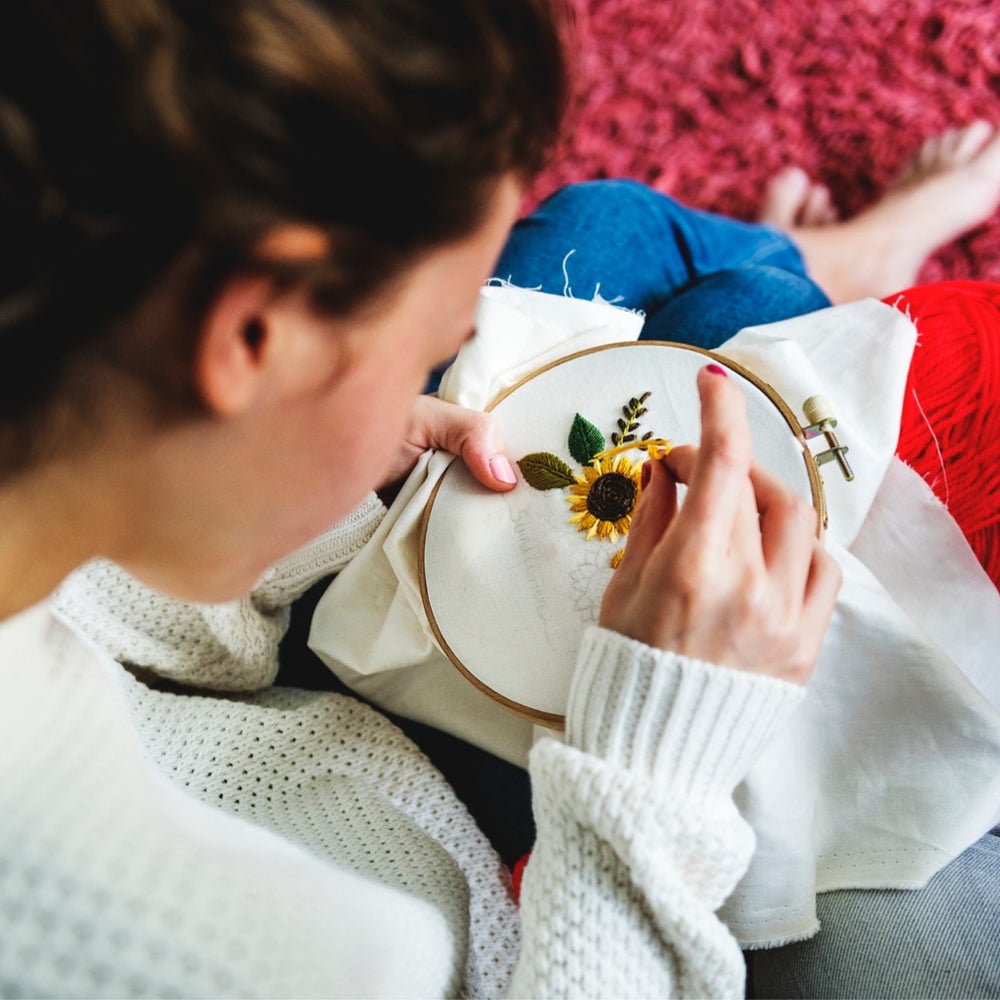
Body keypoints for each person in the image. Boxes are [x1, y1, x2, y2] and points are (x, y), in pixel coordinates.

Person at [0, 3, 994, 999]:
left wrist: (286, 486)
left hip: (271, 674)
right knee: (736, 320)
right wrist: (658, 745)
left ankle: (838, 262)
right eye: (425, 332)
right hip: (520, 874)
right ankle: (822, 273)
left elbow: (111, 624)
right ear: (256, 342)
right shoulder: (200, 953)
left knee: (602, 229)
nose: (432, 365)